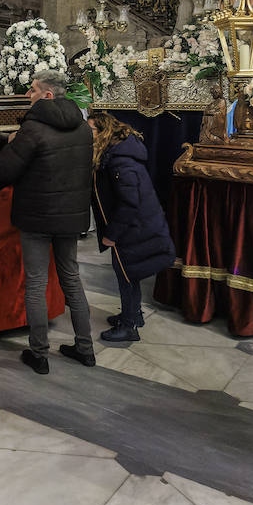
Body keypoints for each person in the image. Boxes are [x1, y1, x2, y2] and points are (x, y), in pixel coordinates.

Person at [0, 70, 95, 374]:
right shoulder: (83, 128)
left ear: (47, 95)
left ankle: (39, 354)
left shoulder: (33, 129)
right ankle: (85, 348)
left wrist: (10, 143)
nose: (28, 94)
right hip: (71, 217)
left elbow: (3, 172)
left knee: (35, 284)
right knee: (72, 280)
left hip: (37, 217)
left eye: (33, 90)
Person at [88, 111, 175, 343]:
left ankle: (129, 327)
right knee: (129, 273)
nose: (88, 136)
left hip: (133, 228)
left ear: (104, 132)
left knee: (126, 274)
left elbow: (129, 202)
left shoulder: (120, 160)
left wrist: (112, 235)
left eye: (91, 131)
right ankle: (133, 315)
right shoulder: (117, 154)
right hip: (135, 226)